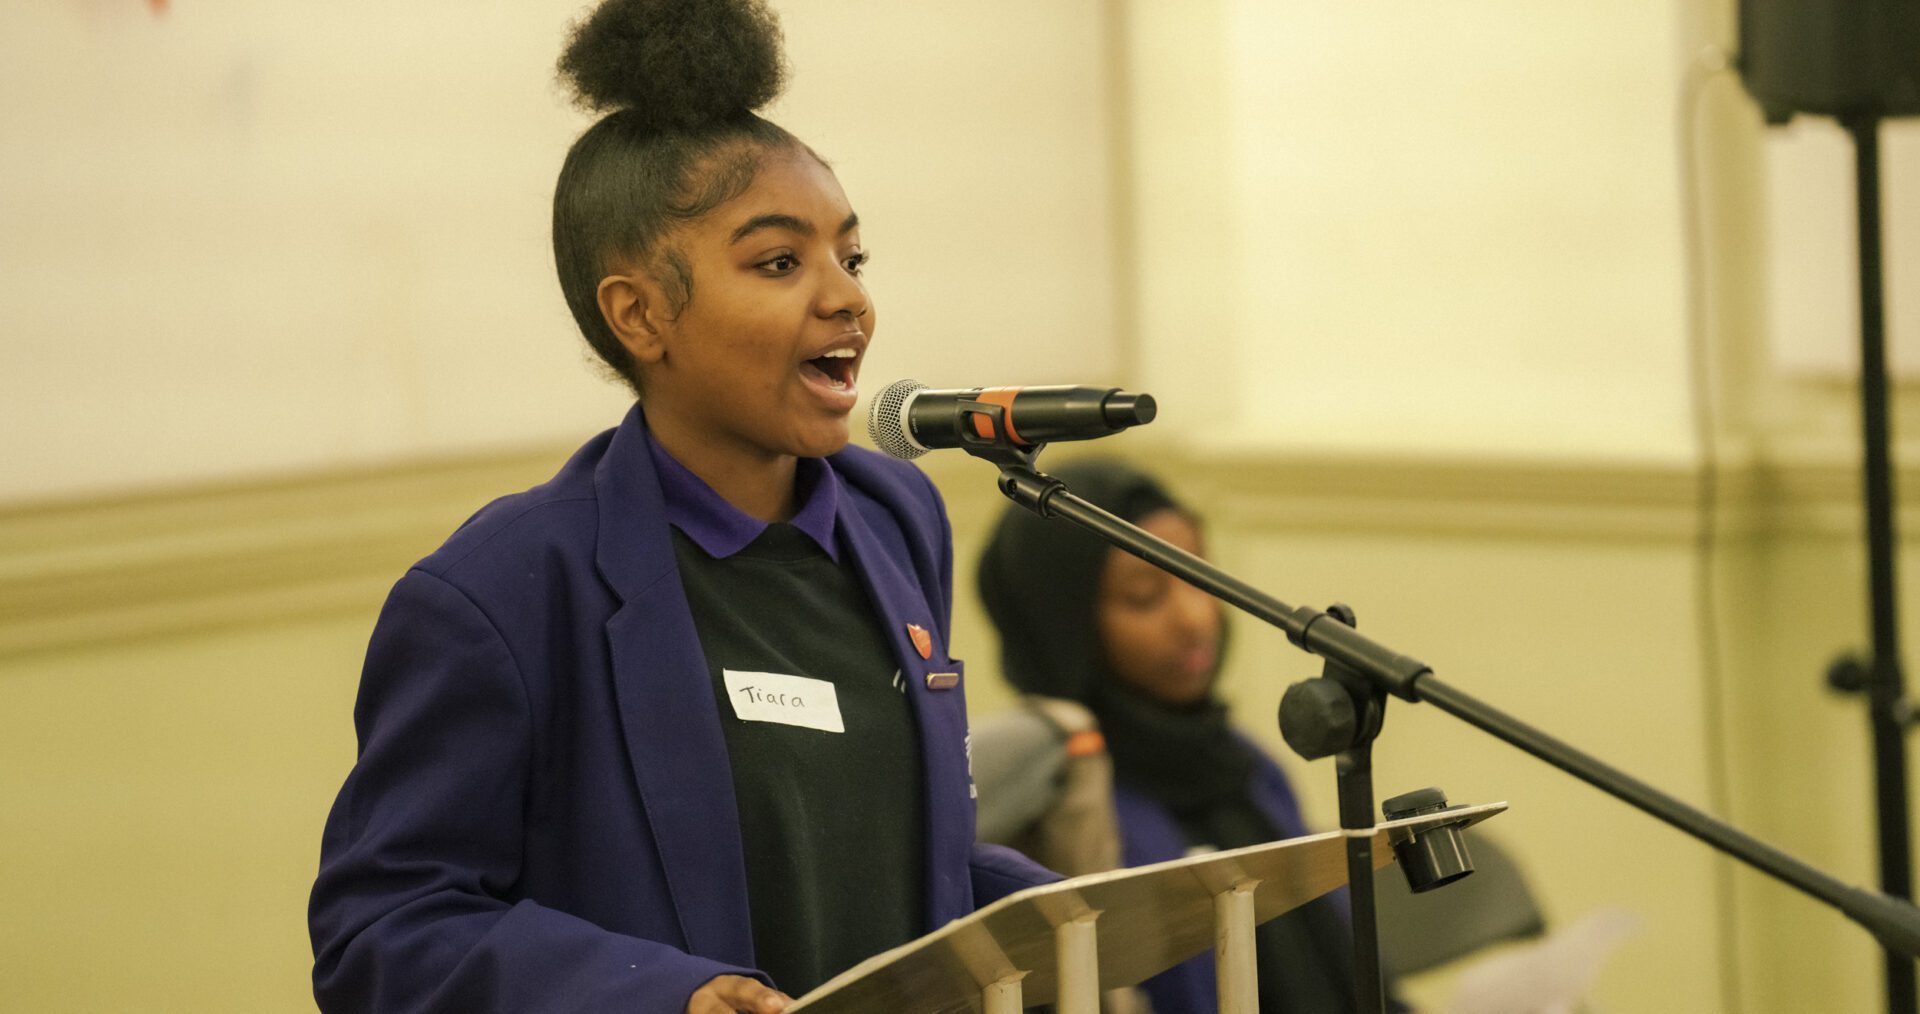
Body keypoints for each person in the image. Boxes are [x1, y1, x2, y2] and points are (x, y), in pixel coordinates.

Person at [307, 2, 1055, 1011]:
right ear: (641, 314)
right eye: (780, 263)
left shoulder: (894, 515)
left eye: (852, 256)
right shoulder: (502, 592)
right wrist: (660, 996)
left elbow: (898, 860)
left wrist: (1103, 910)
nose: (847, 299)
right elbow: (383, 929)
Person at [977, 458, 1363, 1013]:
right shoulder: (1060, 799)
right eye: (1144, 596)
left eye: (1198, 576)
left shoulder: (1245, 763)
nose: (1194, 618)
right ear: (1065, 626)